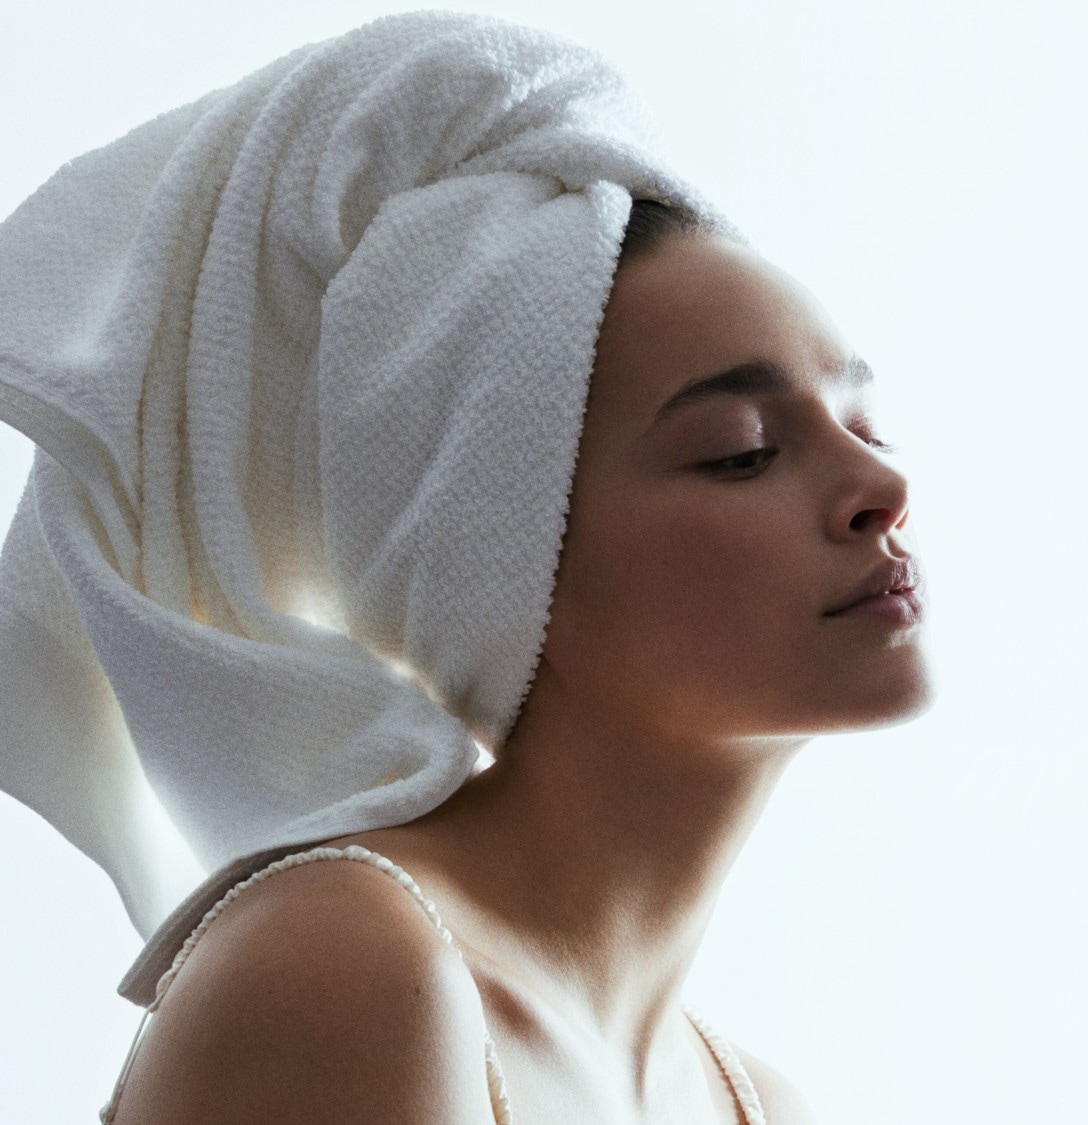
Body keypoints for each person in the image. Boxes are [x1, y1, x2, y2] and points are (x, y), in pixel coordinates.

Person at [0, 13, 931, 1123]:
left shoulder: (756, 1102)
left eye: (866, 421)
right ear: (505, 559)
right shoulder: (347, 966)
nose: (882, 488)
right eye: (741, 450)